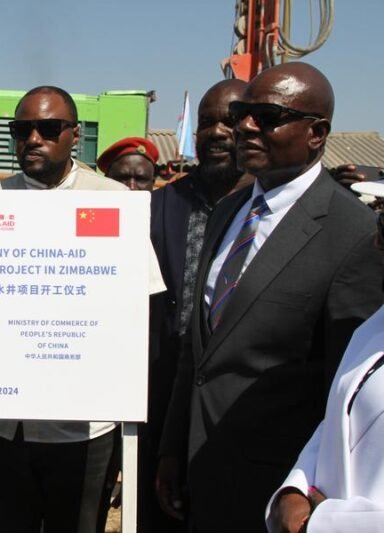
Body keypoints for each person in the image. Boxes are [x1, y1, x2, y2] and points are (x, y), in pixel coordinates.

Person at [156, 62, 383, 533]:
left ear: (316, 133)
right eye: (242, 113)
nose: (245, 127)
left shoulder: (351, 235)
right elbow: (196, 355)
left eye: (267, 116)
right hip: (200, 478)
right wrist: (172, 449)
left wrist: (308, 496)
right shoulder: (229, 212)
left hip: (278, 496)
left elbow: (344, 387)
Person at [0, 86, 165, 533]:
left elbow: (142, 313)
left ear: (74, 135)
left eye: (48, 128)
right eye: (22, 130)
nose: (33, 138)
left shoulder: (116, 203)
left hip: (81, 430)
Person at [142, 78, 248, 533]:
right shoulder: (159, 206)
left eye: (231, 121)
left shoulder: (268, 213)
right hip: (161, 401)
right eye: (207, 123)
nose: (217, 133)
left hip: (238, 413)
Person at [266, 178, 384, 533]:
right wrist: (296, 487)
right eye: (381, 225)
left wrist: (324, 523)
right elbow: (341, 420)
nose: (377, 245)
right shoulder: (373, 327)